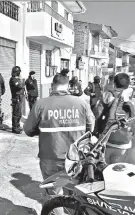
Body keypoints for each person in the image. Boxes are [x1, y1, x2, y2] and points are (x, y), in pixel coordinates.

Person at [23, 68, 95, 199]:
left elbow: (28, 130)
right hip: (75, 157)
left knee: (54, 195)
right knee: (75, 191)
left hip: (51, 156)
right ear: (68, 86)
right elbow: (91, 127)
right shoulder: (81, 103)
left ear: (52, 87)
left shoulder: (41, 104)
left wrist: (40, 131)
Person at [93, 73, 135, 164]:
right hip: (125, 142)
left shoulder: (107, 96)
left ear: (114, 83)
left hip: (107, 140)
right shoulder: (133, 101)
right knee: (119, 170)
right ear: (128, 84)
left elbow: (96, 114)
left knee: (103, 170)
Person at [9, 66, 25, 134]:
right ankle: (14, 128)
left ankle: (17, 126)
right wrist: (22, 81)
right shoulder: (13, 79)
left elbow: (22, 86)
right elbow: (19, 86)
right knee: (16, 113)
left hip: (20, 97)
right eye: (19, 72)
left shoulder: (17, 79)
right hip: (16, 98)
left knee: (19, 113)